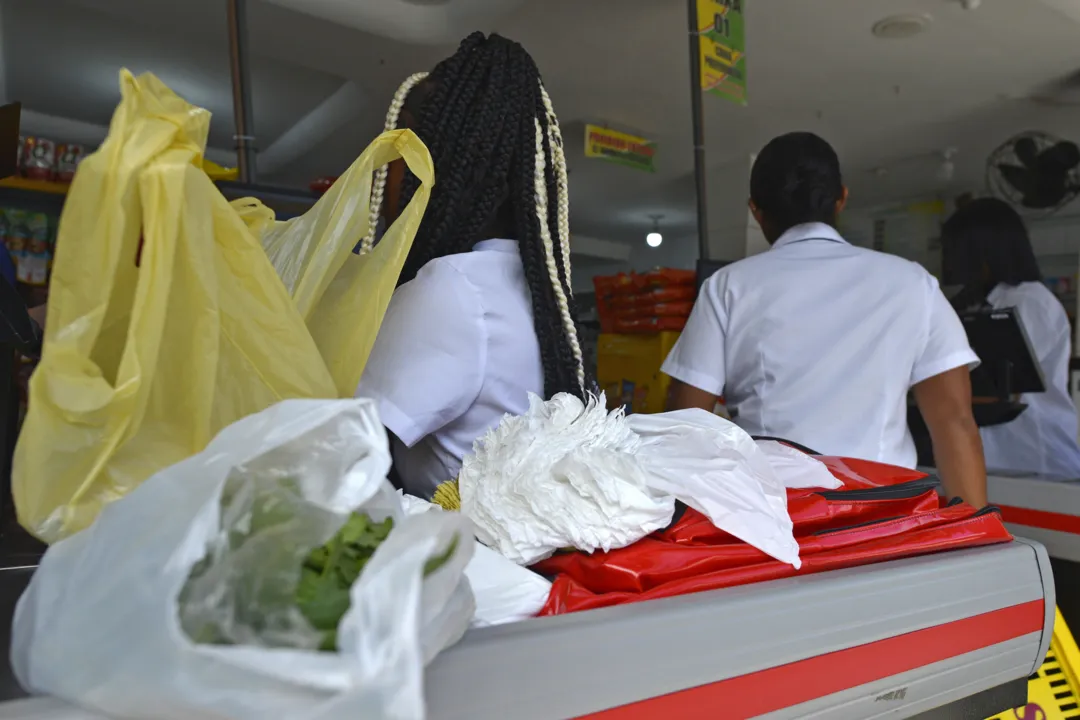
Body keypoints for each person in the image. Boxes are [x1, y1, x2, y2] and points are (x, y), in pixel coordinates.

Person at [663, 132, 987, 507]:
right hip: (887, 515)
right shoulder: (913, 283)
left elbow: (684, 424)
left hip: (774, 518)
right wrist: (981, 542)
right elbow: (954, 423)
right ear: (842, 199)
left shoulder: (728, 286)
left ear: (756, 211)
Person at [355, 33, 587, 498]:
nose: (385, 169)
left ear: (434, 161)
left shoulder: (451, 287)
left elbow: (347, 453)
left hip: (466, 560)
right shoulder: (521, 286)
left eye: (397, 152)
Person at [942, 197, 1080, 479]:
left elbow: (998, 381)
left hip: (1037, 453)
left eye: (961, 250)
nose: (955, 262)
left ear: (987, 249)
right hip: (1004, 455)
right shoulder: (983, 300)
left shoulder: (1029, 301)